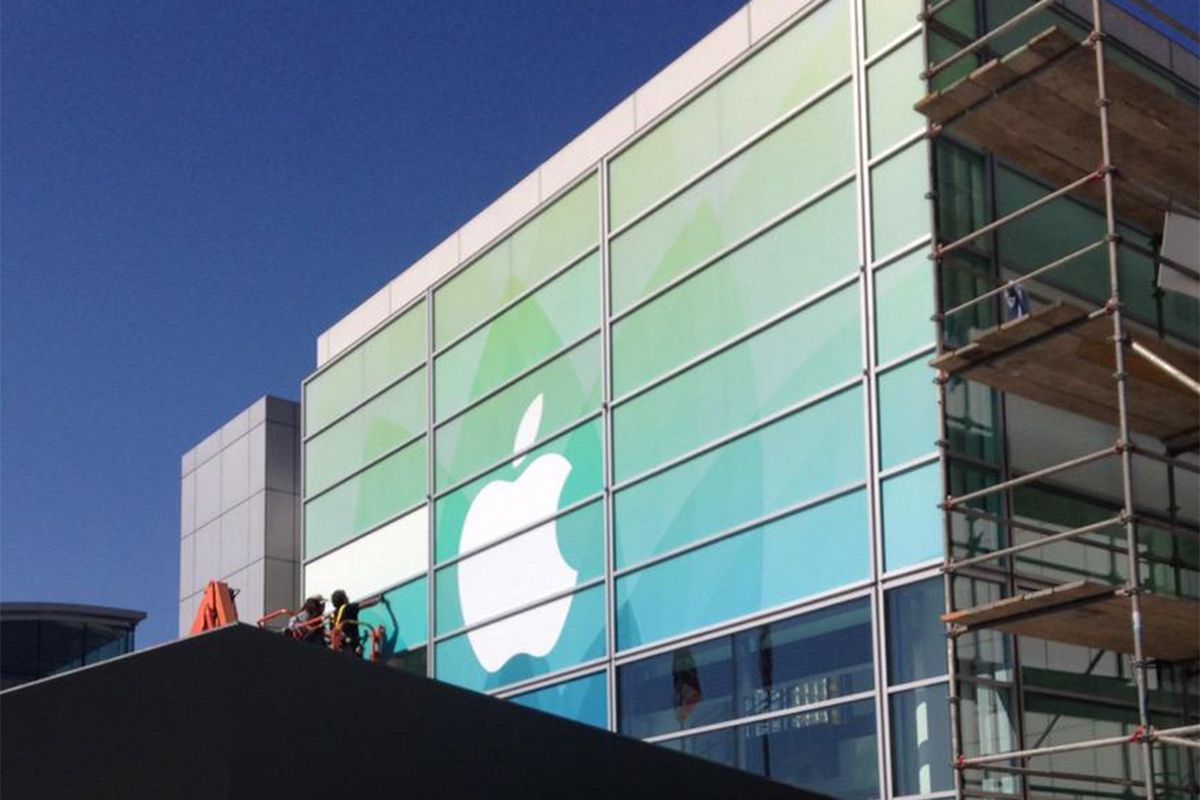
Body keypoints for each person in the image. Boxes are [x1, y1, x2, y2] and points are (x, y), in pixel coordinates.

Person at [329, 589, 360, 654]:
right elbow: (364, 604)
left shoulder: (332, 615)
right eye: (346, 596)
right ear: (344, 599)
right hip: (348, 646)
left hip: (336, 645)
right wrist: (378, 599)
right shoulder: (349, 607)